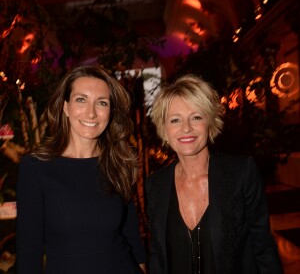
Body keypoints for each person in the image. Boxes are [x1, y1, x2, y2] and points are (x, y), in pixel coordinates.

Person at [145, 74, 283, 274]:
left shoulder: (241, 174)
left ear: (210, 123)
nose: (186, 128)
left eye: (196, 117)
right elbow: (158, 256)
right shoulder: (155, 185)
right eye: (175, 120)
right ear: (164, 130)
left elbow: (263, 248)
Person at [16, 65, 146, 273]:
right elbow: (28, 253)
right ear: (65, 107)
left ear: (110, 112)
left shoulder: (119, 162)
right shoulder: (36, 168)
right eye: (81, 99)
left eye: (102, 103)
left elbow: (132, 239)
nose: (91, 112)